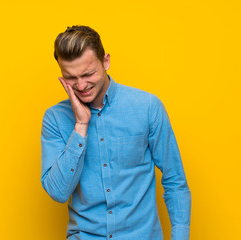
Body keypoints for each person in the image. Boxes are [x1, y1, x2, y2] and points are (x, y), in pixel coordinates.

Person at [41, 25, 191, 240]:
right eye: (71, 78)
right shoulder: (55, 119)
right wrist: (80, 127)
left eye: (88, 73)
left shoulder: (147, 106)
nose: (81, 85)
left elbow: (175, 180)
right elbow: (57, 192)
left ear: (106, 61)